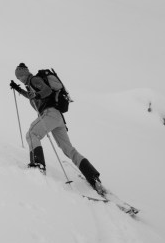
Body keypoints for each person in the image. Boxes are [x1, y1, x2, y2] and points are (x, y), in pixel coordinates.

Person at [10, 63, 104, 194]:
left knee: (32, 134)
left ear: (24, 74)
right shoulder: (31, 83)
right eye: (18, 78)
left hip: (50, 113)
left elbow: (47, 91)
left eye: (20, 76)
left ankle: (38, 167)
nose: (19, 79)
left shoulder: (34, 80)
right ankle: (93, 177)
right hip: (57, 117)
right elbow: (32, 95)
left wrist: (37, 95)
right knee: (68, 149)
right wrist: (18, 90)